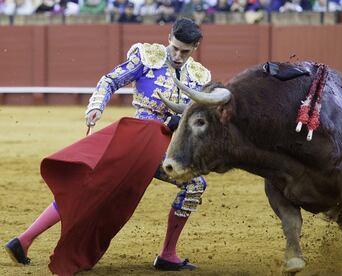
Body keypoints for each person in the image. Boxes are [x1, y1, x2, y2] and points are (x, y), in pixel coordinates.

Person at [5, 18, 211, 271]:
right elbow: (109, 80)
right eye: (175, 48)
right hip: (139, 140)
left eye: (185, 51)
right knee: (90, 186)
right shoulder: (148, 57)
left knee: (193, 185)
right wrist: (96, 106)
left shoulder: (199, 76)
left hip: (169, 147)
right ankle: (24, 239)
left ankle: (168, 254)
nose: (178, 56)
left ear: (195, 47)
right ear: (169, 38)